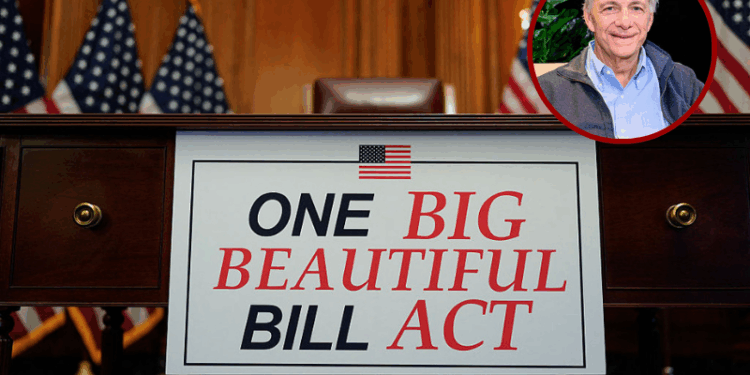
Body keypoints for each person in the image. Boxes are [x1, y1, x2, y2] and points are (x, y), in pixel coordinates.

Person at [537, 0, 704, 139]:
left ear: (649, 20)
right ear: (589, 19)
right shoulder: (548, 91)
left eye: (636, 8)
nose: (625, 23)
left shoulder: (684, 83)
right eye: (610, 8)